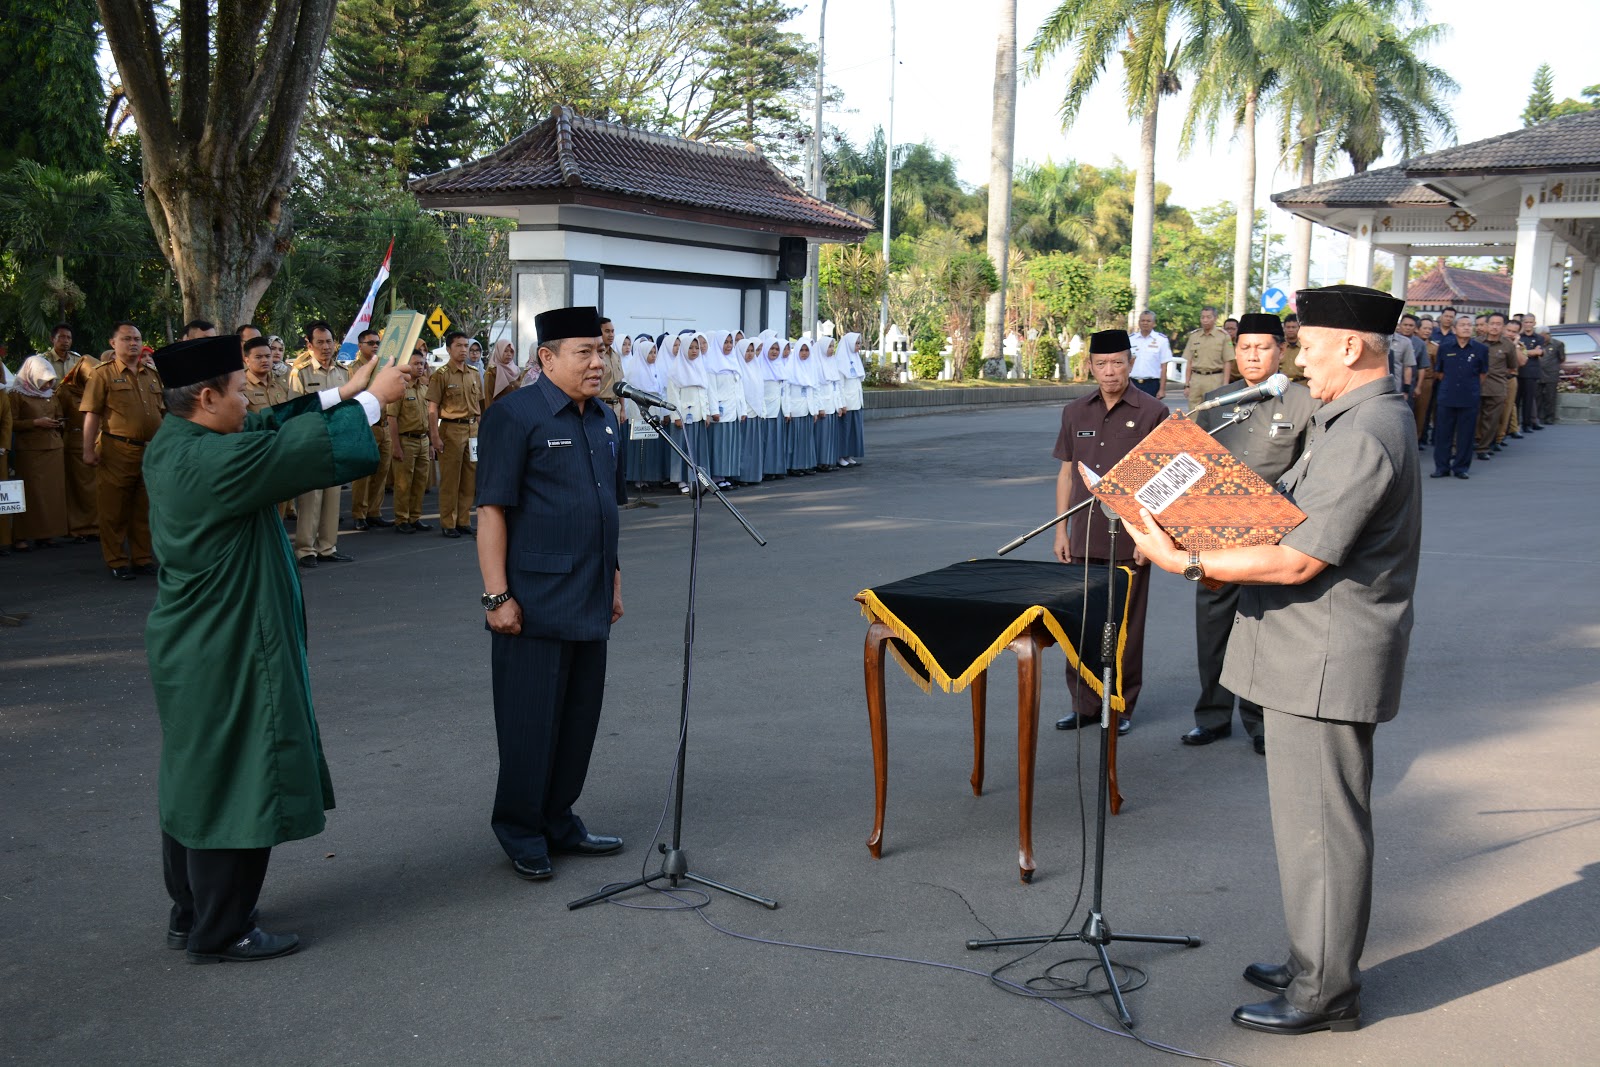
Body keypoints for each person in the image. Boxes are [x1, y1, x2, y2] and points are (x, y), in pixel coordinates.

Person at [1126, 283, 1418, 1036]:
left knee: (1322, 830)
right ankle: (1314, 960)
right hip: (1307, 653)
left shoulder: (1365, 430)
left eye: (1308, 347)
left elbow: (1297, 558)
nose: (1298, 361)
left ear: (1350, 347)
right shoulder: (1344, 416)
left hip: (1323, 660)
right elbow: (1281, 511)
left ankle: (1326, 993)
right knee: (1307, 827)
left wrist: (1187, 560)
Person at [142, 334, 409, 963]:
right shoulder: (213, 460)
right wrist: (372, 402)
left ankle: (192, 911)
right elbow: (291, 450)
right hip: (232, 645)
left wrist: (343, 392)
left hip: (195, 645)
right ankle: (223, 928)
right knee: (243, 778)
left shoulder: (178, 440)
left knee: (198, 777)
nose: (249, 401)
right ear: (207, 398)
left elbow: (267, 426)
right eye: (239, 391)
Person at [473, 306, 627, 881]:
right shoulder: (514, 415)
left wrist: (614, 578)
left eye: (600, 351)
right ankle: (520, 829)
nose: (597, 362)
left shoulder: (605, 418)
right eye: (584, 352)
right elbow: (492, 510)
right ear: (547, 357)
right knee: (529, 723)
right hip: (533, 601)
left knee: (579, 720)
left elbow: (606, 508)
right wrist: (496, 597)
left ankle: (559, 819)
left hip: (590, 593)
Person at [1184, 315, 1318, 755]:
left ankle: (1261, 721)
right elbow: (1194, 469)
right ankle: (1212, 716)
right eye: (1244, 348)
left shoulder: (1305, 402)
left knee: (1266, 630)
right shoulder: (1216, 401)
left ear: (1282, 350)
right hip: (1217, 535)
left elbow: (1310, 473)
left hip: (1273, 538)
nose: (1253, 356)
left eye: (1262, 348)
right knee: (1213, 627)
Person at [1051, 329, 1170, 736]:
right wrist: (1061, 531)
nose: (1109, 371)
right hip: (1084, 535)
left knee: (1125, 628)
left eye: (1117, 362)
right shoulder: (1075, 412)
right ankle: (1084, 705)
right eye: (1101, 364)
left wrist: (1149, 537)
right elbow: (1066, 473)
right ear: (1090, 366)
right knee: (1081, 622)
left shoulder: (1154, 412)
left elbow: (1163, 481)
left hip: (1132, 538)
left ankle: (1119, 704)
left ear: (1131, 364)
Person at [80, 321, 165, 579]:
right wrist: (87, 450)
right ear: (113, 343)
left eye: (137, 339)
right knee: (113, 509)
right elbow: (92, 413)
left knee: (144, 508)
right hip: (117, 449)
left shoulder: (152, 374)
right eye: (127, 339)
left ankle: (142, 558)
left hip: (150, 451)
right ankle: (117, 560)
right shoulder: (102, 374)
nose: (133, 343)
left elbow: (164, 412)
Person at [287, 321, 354, 567]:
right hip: (313, 441)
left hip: (336, 441)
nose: (326, 347)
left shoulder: (343, 372)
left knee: (332, 497)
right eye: (320, 342)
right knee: (311, 498)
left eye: (329, 342)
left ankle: (327, 546)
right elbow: (295, 410)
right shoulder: (300, 372)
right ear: (309, 345)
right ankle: (305, 549)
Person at [8, 357, 70, 550]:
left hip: (54, 449)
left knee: (52, 493)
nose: (48, 385)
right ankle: (21, 536)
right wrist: (35, 423)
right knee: (31, 494)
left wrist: (59, 422)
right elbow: (10, 423)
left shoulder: (52, 394)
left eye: (51, 381)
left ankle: (46, 535)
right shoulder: (16, 395)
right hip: (30, 451)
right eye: (44, 381)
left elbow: (59, 415)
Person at [428, 329, 484, 538]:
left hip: (472, 430)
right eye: (459, 346)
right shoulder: (441, 375)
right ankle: (448, 522)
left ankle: (463, 520)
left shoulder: (474, 373)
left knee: (469, 478)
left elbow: (479, 407)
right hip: (451, 429)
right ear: (449, 349)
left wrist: (481, 432)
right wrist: (435, 437)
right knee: (451, 479)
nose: (463, 350)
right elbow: (432, 408)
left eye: (466, 346)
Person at [345, 330, 395, 531]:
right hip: (365, 426)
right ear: (360, 346)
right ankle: (359, 514)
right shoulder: (353, 369)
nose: (375, 346)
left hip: (384, 426)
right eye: (371, 343)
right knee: (363, 474)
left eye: (377, 343)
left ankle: (374, 512)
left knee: (381, 472)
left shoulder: (384, 367)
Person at [1429, 313, 1487, 480]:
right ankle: (1442, 467)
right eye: (1462, 325)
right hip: (1447, 396)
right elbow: (1439, 372)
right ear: (1454, 329)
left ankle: (1461, 467)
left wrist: (1470, 386)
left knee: (1466, 435)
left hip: (1469, 397)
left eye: (1469, 325)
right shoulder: (1445, 347)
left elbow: (1483, 374)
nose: (1467, 328)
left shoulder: (1481, 349)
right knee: (1443, 434)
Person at [55, 347, 101, 542]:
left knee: (96, 489)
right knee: (77, 490)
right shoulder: (65, 391)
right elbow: (59, 417)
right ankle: (77, 528)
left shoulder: (99, 390)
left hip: (97, 444)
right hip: (74, 444)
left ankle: (96, 526)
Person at [1473, 313, 1518, 460]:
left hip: (1496, 387)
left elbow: (1512, 366)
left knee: (1491, 420)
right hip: (1475, 386)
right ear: (1486, 325)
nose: (1494, 327)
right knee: (1473, 418)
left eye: (1498, 324)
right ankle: (1472, 443)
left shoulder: (1508, 345)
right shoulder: (1476, 342)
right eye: (1492, 323)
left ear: (1503, 327)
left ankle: (1484, 448)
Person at [1182, 307, 1234, 406]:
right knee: (1194, 410)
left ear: (1215, 318)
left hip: (1215, 378)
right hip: (1196, 379)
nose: (1205, 320)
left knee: (1213, 409)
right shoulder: (1194, 336)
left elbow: (1227, 362)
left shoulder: (1223, 336)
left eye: (1208, 317)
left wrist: (1225, 385)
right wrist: (1187, 385)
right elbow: (1189, 362)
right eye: (1202, 317)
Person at [835, 331, 867, 466]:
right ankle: (840, 457)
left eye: (859, 343)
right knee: (844, 431)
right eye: (856, 343)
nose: (858, 346)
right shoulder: (840, 361)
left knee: (853, 431)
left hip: (856, 402)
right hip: (846, 403)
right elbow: (840, 385)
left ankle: (848, 455)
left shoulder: (855, 358)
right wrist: (842, 403)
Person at [1128, 310, 1173, 397]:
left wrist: (1162, 389)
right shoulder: (1131, 339)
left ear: (1154, 323)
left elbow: (1164, 367)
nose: (1145, 323)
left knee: (1149, 406)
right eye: (1143, 320)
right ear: (1139, 322)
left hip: (1151, 385)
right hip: (1132, 383)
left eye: (1148, 321)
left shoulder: (1161, 340)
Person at [1515, 312, 1545, 432]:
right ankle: (1514, 426)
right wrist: (1532, 352)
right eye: (1526, 322)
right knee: (1515, 400)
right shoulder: (1518, 337)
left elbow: (1540, 352)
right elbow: (1516, 352)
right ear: (1522, 323)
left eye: (1530, 322)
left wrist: (1524, 352)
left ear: (1534, 323)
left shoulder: (1539, 338)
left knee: (1528, 400)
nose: (1528, 324)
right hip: (1518, 371)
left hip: (1531, 372)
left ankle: (1527, 424)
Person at [1537, 325, 1565, 424]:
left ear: (1547, 334)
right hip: (1538, 373)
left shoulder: (1558, 344)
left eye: (1543, 335)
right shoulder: (1537, 343)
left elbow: (1561, 358)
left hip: (1551, 373)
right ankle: (1537, 417)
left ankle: (1549, 417)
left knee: (1550, 396)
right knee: (1537, 396)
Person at [1280, 315, 1305, 382]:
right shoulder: (1279, 347)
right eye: (1288, 327)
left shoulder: (1305, 347)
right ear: (1284, 328)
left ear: (1299, 328)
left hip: (1302, 383)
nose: (1290, 330)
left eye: (1293, 327)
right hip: (1282, 384)